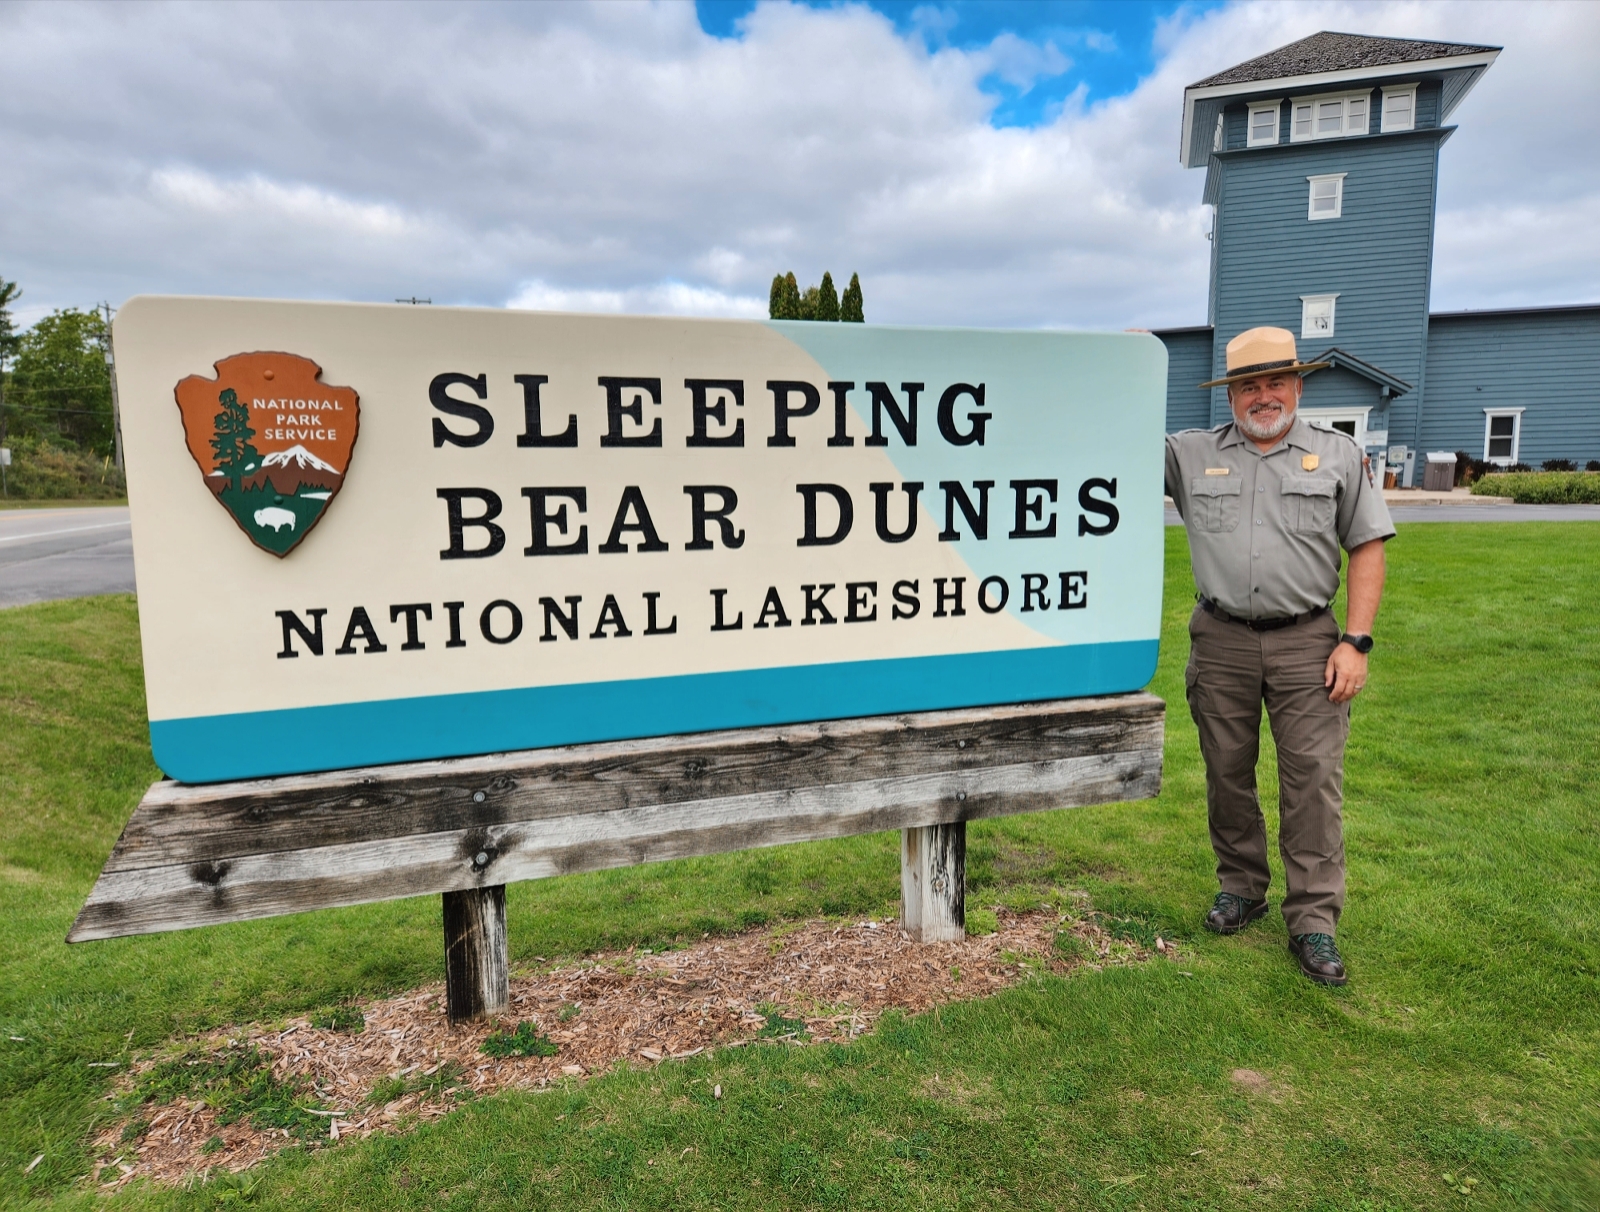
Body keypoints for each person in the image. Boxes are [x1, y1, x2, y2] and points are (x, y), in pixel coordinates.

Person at [1165, 327, 1395, 986]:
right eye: (1248, 385)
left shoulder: (1339, 455)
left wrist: (1356, 641)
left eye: (1275, 382)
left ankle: (1314, 922)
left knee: (1313, 784)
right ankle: (1241, 888)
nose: (1263, 396)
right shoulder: (1187, 454)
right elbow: (1110, 446)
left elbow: (1369, 545)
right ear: (1230, 393)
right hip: (1221, 637)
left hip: (1309, 644)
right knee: (1226, 773)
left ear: (1297, 385)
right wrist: (1126, 362)